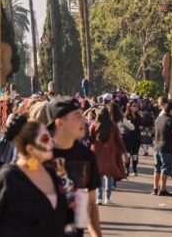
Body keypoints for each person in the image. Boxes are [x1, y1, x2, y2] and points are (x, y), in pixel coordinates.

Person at [0, 116, 68, 237]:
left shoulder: (53, 174)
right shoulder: (5, 178)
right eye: (45, 138)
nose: (51, 142)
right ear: (30, 148)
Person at [45, 96, 102, 237]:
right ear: (60, 122)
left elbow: (90, 202)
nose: (84, 120)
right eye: (77, 116)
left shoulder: (86, 156)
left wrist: (96, 234)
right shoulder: (40, 155)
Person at [89, 107, 127, 205]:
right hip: (110, 154)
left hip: (97, 154)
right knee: (109, 176)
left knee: (98, 176)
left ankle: (99, 198)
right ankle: (108, 197)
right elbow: (119, 140)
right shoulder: (113, 126)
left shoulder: (94, 125)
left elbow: (90, 139)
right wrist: (124, 152)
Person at [153, 101, 172, 196]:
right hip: (166, 147)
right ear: (171, 110)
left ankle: (155, 188)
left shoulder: (158, 119)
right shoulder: (171, 121)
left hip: (156, 146)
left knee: (157, 168)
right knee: (165, 168)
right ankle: (163, 189)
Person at [124, 100, 142, 176]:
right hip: (128, 138)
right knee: (127, 154)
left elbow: (141, 126)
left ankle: (134, 169)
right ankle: (127, 169)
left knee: (135, 154)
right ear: (130, 107)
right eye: (134, 106)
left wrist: (141, 127)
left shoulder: (139, 116)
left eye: (137, 106)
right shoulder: (126, 116)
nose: (136, 107)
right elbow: (125, 127)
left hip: (136, 138)